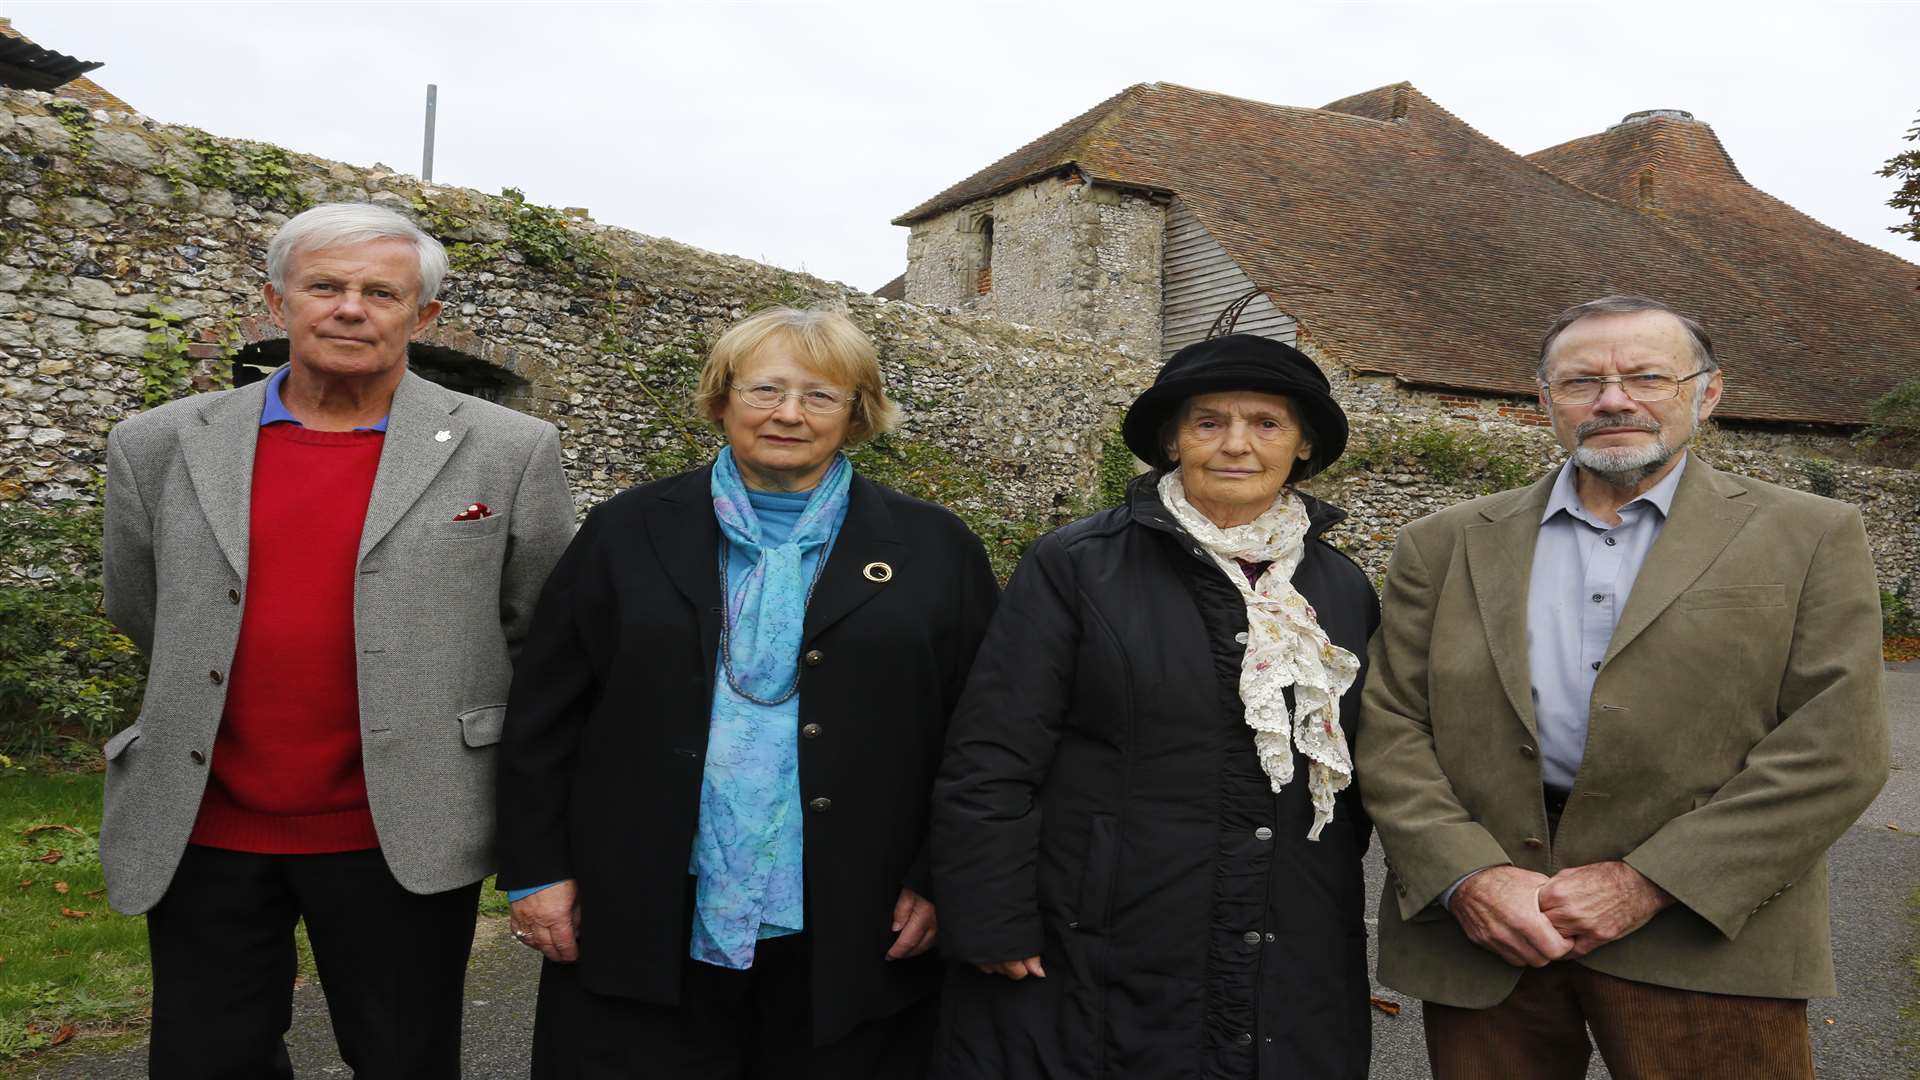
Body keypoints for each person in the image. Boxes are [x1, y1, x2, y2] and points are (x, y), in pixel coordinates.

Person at [98, 201, 576, 1079]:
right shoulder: (159, 444)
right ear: (279, 304)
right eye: (324, 286)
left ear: (422, 317)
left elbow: (543, 628)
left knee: (403, 1056)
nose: (350, 308)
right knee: (207, 1061)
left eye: (380, 292)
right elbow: (142, 606)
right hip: (205, 820)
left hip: (403, 824)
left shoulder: (508, 450)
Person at [1357, 295, 1891, 1079]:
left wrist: (1648, 883)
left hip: (1708, 936)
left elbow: (1836, 745)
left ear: (1706, 394)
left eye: (1647, 376)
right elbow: (1392, 722)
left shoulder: (1810, 535)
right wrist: (1464, 875)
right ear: (1545, 403)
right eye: (1582, 382)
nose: (1613, 400)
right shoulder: (1440, 544)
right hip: (1494, 933)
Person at [497, 306, 998, 1079]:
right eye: (764, 389)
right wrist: (537, 870)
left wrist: (938, 878)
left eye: (821, 396)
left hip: (859, 913)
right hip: (640, 899)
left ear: (858, 413)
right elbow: (544, 711)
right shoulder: (627, 531)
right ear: (722, 398)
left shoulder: (935, 548)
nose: (789, 414)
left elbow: (979, 733)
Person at [930, 334, 1382, 1078]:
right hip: (1106, 935)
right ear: (1173, 441)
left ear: (1302, 447)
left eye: (1266, 423)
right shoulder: (1077, 566)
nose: (1236, 444)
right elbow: (992, 751)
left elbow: (1359, 768)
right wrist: (990, 915)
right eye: (1208, 422)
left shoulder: (1338, 589)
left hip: (1289, 936)